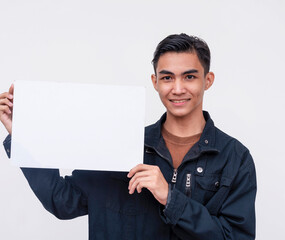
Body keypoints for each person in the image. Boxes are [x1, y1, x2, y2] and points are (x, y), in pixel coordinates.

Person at [0, 33, 257, 240]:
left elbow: (234, 236)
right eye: (167, 78)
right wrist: (23, 134)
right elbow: (62, 201)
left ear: (207, 80)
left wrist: (170, 197)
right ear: (155, 82)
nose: (178, 89)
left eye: (189, 76)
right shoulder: (119, 142)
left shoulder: (234, 158)